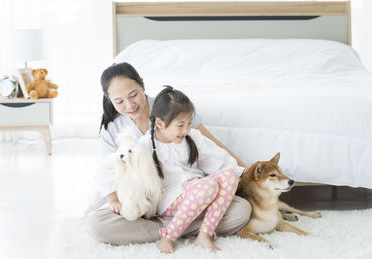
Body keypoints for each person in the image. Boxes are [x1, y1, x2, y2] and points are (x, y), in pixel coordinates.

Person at [86, 62, 251, 245]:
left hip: (192, 194)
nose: (130, 104)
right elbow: (108, 172)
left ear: (142, 84)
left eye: (133, 95)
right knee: (97, 225)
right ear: (109, 99)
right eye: (119, 101)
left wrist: (250, 175)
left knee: (242, 209)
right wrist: (117, 200)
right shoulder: (113, 130)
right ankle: (185, 228)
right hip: (145, 204)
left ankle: (174, 228)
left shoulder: (172, 106)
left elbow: (213, 148)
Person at [140, 86, 242, 253]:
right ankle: (168, 236)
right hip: (169, 199)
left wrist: (243, 176)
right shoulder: (145, 146)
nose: (186, 130)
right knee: (208, 186)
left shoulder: (193, 137)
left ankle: (204, 234)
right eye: (180, 125)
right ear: (159, 123)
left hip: (199, 189)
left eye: (189, 123)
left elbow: (220, 161)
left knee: (231, 175)